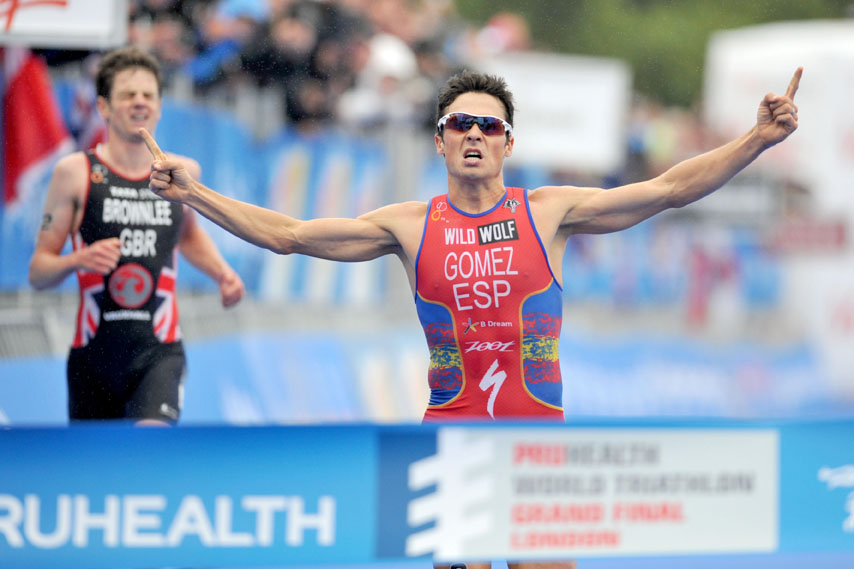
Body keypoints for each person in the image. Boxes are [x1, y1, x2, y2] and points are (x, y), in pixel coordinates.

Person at [141, 67, 801, 568]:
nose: (475, 135)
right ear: (440, 140)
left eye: (489, 125)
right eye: (462, 124)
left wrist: (756, 140)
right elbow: (287, 233)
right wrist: (194, 191)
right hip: (450, 446)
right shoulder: (406, 224)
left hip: (539, 447)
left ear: (509, 142)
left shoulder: (548, 210)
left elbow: (668, 190)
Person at [28, 46, 245, 424]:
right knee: (98, 476)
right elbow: (38, 272)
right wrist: (76, 260)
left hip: (159, 351)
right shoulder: (75, 172)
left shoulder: (182, 171)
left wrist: (221, 273)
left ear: (160, 107)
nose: (139, 102)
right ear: (104, 107)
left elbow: (188, 236)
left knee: (151, 451)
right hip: (93, 355)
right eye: (127, 95)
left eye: (148, 95)